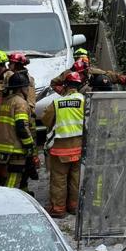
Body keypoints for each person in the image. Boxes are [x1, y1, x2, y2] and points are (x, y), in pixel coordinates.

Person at [41, 72, 86, 218]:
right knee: (75, 177)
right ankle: (74, 206)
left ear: (65, 86)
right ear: (79, 86)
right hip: (79, 147)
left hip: (60, 149)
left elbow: (45, 120)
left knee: (59, 179)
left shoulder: (57, 103)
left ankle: (58, 209)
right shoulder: (85, 100)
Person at [0, 72, 35, 188]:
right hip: (15, 149)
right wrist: (30, 146)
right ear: (21, 88)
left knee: (20, 178)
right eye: (26, 87)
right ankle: (8, 202)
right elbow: (21, 127)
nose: (28, 89)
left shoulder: (6, 101)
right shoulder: (21, 103)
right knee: (13, 180)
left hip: (2, 148)